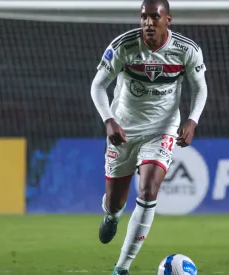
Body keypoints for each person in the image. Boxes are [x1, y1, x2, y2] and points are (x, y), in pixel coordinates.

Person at [90, 0, 208, 274]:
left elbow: (200, 88)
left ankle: (122, 267)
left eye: (155, 17)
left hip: (162, 130)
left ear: (168, 19)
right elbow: (98, 86)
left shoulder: (186, 50)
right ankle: (112, 214)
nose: (148, 22)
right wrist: (108, 120)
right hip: (123, 131)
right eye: (144, 17)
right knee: (116, 200)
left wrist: (192, 120)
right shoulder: (123, 46)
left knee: (148, 191)